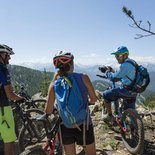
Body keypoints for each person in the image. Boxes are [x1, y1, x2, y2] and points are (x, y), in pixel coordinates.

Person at [44, 51, 97, 155]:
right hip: (84, 124)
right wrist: (89, 102)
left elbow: (48, 110)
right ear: (72, 64)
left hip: (65, 126)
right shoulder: (83, 77)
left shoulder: (53, 85)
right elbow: (94, 99)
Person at [99, 46, 137, 122]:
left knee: (106, 95)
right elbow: (124, 74)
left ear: (125, 55)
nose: (116, 57)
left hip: (125, 90)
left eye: (118, 55)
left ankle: (109, 116)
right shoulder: (133, 62)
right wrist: (113, 71)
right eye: (115, 56)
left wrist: (106, 71)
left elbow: (113, 78)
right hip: (134, 90)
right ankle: (134, 128)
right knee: (130, 115)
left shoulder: (124, 65)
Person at [0, 44, 25, 155]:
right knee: (8, 140)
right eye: (8, 55)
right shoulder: (2, 69)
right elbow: (10, 95)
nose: (9, 58)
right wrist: (20, 98)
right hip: (2, 109)